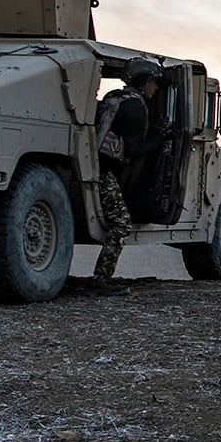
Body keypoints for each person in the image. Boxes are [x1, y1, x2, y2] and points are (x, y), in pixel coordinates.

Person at [92, 57, 170, 295]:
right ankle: (100, 279)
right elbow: (133, 150)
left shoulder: (116, 98)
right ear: (145, 82)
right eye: (154, 83)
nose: (155, 89)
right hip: (104, 174)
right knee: (121, 224)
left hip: (95, 168)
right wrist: (161, 140)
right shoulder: (136, 107)